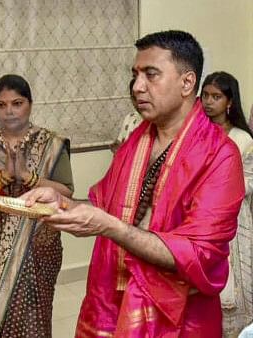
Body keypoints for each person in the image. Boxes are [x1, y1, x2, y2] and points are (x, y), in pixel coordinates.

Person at [23, 30, 244, 336]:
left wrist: (110, 227)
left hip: (179, 318)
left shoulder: (220, 154)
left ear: (187, 82)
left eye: (151, 74)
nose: (137, 87)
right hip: (112, 302)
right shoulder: (138, 141)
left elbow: (198, 253)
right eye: (135, 75)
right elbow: (105, 208)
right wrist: (64, 203)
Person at [0, 74, 74, 337]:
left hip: (39, 244)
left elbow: (66, 191)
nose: (9, 111)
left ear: (30, 105)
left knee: (35, 318)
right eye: (2, 105)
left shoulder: (52, 144)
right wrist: (0, 179)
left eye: (17, 103)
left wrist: (28, 176)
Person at [202, 71, 253, 335]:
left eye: (217, 96)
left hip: (233, 220)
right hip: (199, 219)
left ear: (230, 101)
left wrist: (216, 186)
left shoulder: (242, 139)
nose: (209, 102)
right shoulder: (194, 134)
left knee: (234, 286)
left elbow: (249, 182)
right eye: (206, 96)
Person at [110, 78, 142, 153]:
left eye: (141, 97)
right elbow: (120, 141)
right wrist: (117, 147)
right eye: (134, 98)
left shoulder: (156, 123)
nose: (138, 103)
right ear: (131, 99)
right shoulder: (130, 118)